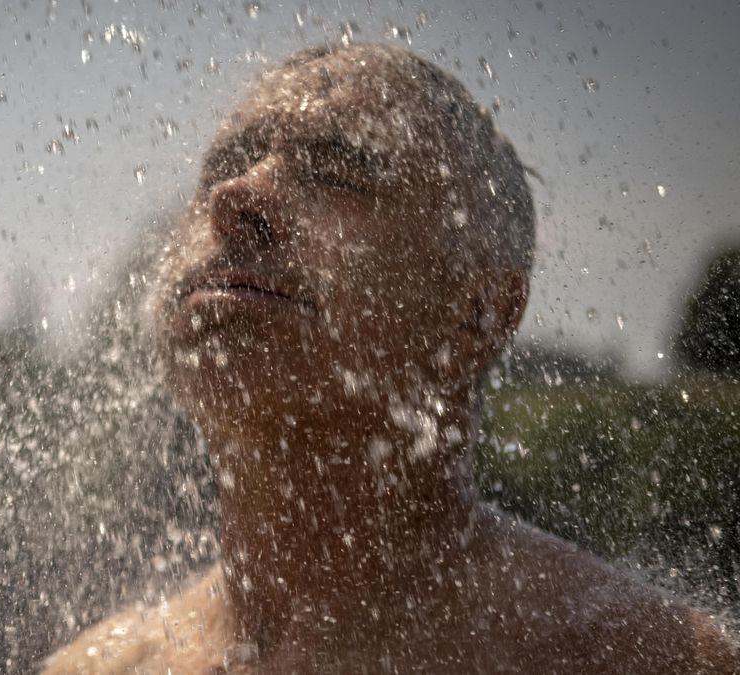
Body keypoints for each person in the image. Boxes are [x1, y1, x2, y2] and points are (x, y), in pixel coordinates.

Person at [42, 43, 739, 674]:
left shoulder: (638, 654)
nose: (238, 195)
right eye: (222, 167)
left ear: (478, 316)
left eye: (337, 173)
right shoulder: (99, 666)